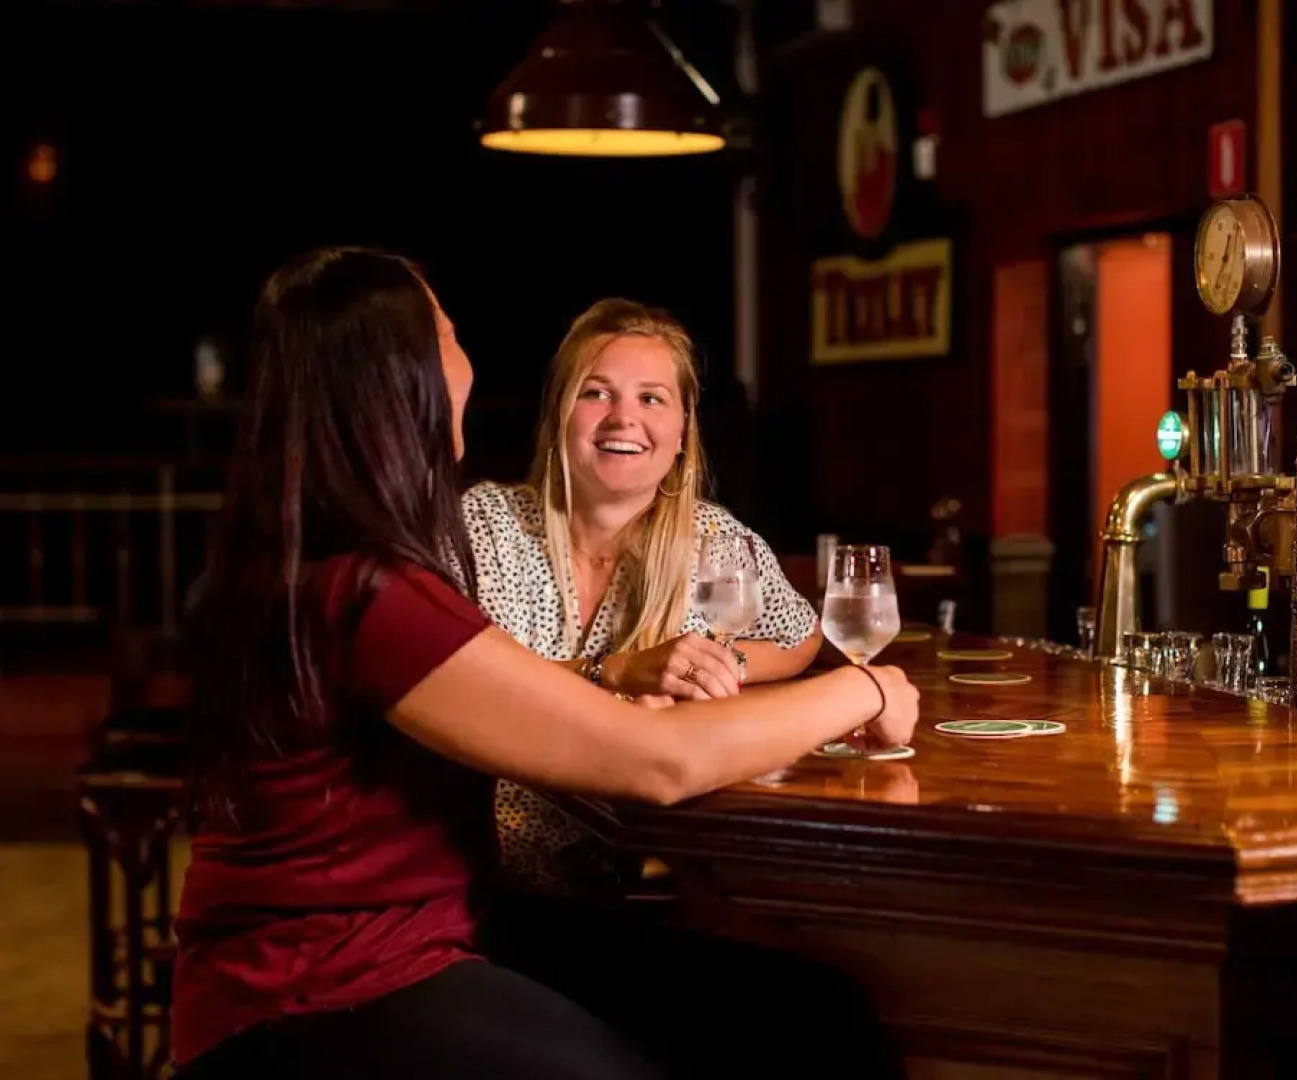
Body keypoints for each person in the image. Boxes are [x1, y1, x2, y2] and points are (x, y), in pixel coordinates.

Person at [171, 246, 917, 1079]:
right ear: (400, 377)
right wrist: (868, 686)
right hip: (315, 992)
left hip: (435, 929)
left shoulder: (338, 565)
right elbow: (658, 761)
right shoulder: (370, 592)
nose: (467, 358)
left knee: (811, 1011)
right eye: (448, 333)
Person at [460, 298, 821, 892]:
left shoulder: (713, 536)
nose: (623, 418)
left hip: (645, 861)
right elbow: (474, 693)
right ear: (559, 417)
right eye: (596, 393)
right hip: (485, 874)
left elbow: (798, 634)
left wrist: (711, 664)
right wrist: (619, 672)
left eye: (651, 398)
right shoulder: (485, 525)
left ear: (681, 433)